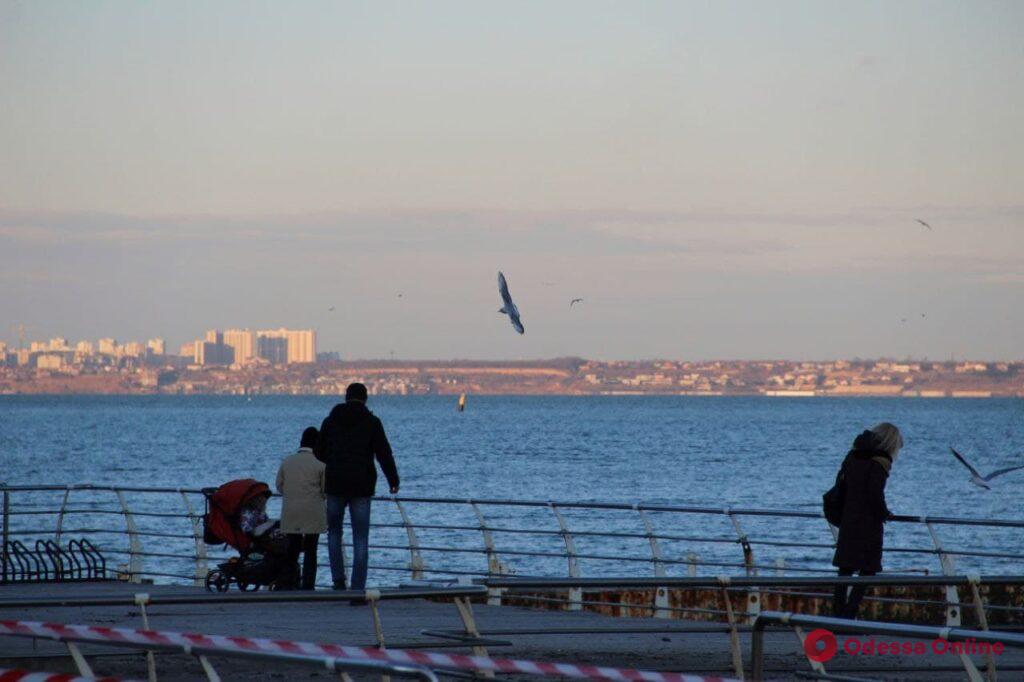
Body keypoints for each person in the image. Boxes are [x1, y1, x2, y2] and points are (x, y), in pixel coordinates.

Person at [315, 382, 400, 598]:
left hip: (335, 485)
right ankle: (357, 589)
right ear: (365, 399)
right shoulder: (372, 422)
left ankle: (338, 582)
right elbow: (384, 454)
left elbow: (319, 453)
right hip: (362, 486)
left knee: (333, 534)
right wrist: (393, 480)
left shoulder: (330, 421)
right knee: (360, 538)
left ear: (346, 397)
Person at [832, 422, 902, 619]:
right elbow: (874, 492)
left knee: (845, 569)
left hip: (848, 517)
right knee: (868, 569)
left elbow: (841, 483)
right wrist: (884, 513)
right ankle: (849, 614)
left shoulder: (853, 455)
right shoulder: (880, 461)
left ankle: (838, 615)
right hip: (868, 523)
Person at [276, 426, 326, 590]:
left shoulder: (287, 462)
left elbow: (279, 486)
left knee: (292, 549)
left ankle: (288, 583)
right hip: (313, 512)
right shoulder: (320, 466)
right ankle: (308, 585)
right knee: (311, 550)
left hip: (291, 512)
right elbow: (325, 490)